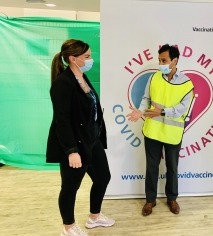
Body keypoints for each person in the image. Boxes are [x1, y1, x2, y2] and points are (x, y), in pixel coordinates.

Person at [46, 39, 115, 236]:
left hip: (91, 140)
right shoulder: (62, 83)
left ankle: (94, 217)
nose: (90, 60)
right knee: (70, 187)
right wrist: (71, 151)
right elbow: (63, 120)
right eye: (87, 57)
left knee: (103, 177)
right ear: (73, 59)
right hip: (74, 144)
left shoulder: (82, 78)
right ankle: (68, 227)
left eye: (90, 56)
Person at [127, 44, 194, 216]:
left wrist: (162, 112)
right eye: (159, 60)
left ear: (175, 61)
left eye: (164, 60)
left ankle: (172, 199)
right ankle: (150, 201)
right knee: (151, 167)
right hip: (153, 131)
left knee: (172, 167)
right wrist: (139, 111)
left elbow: (183, 109)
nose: (160, 63)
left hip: (172, 134)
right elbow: (146, 99)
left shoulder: (187, 83)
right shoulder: (154, 77)